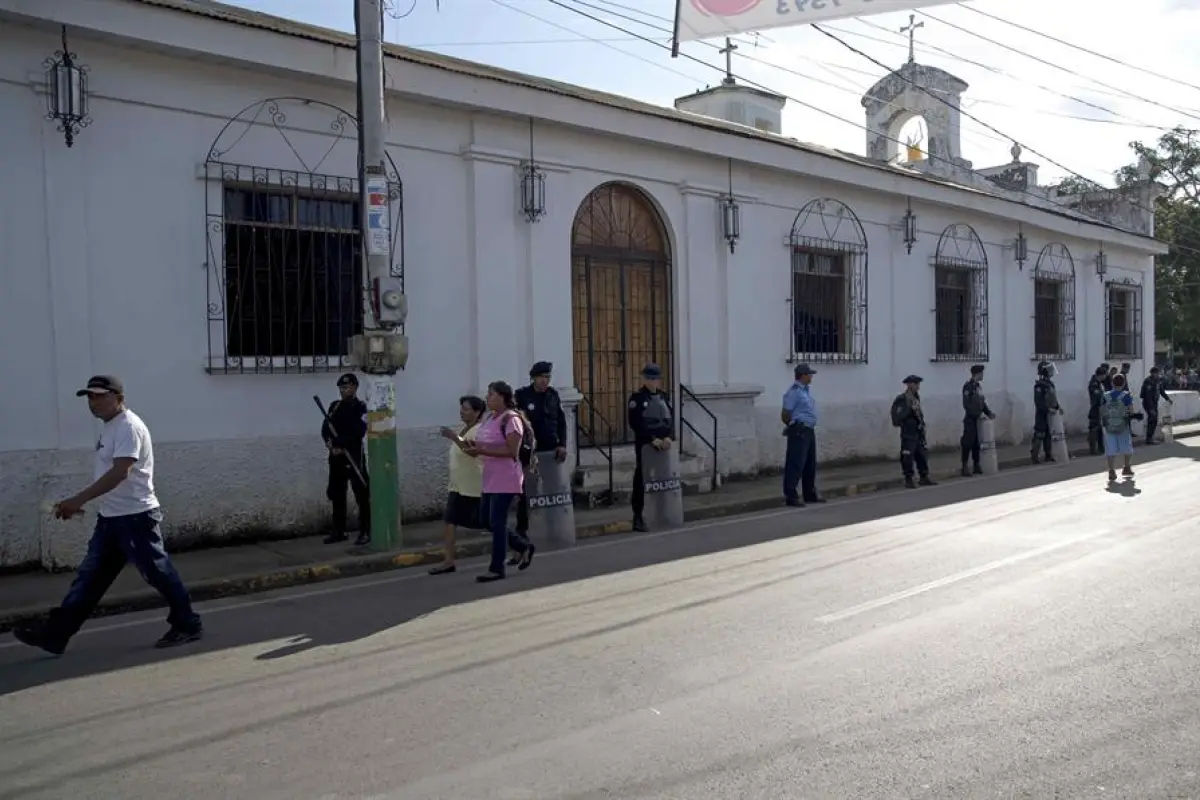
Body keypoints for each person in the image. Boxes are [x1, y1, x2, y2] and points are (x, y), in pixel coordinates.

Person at [12, 375, 203, 655]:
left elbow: (120, 473)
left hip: (136, 517)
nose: (94, 402)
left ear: (119, 397)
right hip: (112, 517)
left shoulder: (128, 427)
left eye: (100, 395)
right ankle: (56, 635)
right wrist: (87, 504)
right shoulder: (111, 427)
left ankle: (187, 624)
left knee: (158, 574)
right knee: (89, 579)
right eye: (89, 396)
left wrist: (79, 499)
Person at [464, 381, 535, 583]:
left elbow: (511, 451)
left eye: (492, 394)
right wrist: (471, 445)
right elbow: (484, 442)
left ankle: (497, 568)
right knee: (485, 520)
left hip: (507, 478)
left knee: (497, 521)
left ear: (503, 397)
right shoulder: (489, 419)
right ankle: (522, 546)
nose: (488, 397)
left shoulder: (511, 419)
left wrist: (482, 451)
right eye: (488, 394)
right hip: (490, 477)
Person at [429, 395, 487, 576]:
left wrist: (453, 437)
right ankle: (449, 560)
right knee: (450, 520)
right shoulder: (466, 429)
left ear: (477, 413)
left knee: (487, 522)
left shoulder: (478, 430)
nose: (462, 412)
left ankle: (518, 544)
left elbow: (472, 452)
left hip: (472, 486)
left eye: (467, 409)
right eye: (462, 408)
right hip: (458, 485)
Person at [513, 361, 568, 545]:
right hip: (530, 453)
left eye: (548, 377)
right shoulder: (522, 396)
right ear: (533, 378)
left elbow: (561, 422)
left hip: (551, 451)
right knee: (527, 494)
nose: (545, 381)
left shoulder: (553, 395)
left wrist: (562, 444)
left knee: (553, 492)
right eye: (542, 377)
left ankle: (554, 529)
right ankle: (524, 531)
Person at [321, 373, 370, 546]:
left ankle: (366, 530)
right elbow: (326, 427)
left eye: (347, 387)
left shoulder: (361, 407)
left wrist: (341, 442)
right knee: (336, 493)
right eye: (342, 388)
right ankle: (338, 530)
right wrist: (331, 445)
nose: (344, 391)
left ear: (355, 388)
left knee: (362, 493)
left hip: (354, 456)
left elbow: (359, 430)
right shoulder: (335, 406)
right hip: (336, 457)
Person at [627, 364, 675, 531]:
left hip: (664, 445)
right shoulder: (637, 399)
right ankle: (638, 517)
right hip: (646, 445)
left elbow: (670, 419)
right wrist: (651, 438)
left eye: (656, 378)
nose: (654, 382)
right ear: (645, 379)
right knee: (642, 479)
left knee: (663, 480)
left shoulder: (664, 397)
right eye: (650, 378)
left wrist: (669, 437)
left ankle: (663, 513)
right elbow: (635, 422)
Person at [781, 363, 824, 507]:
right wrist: (793, 425)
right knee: (796, 463)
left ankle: (809, 493)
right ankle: (791, 495)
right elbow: (785, 414)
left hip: (809, 429)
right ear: (803, 375)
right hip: (800, 430)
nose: (811, 377)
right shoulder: (793, 392)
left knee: (809, 463)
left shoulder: (806, 391)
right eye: (809, 374)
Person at [891, 375, 937, 489]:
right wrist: (908, 416)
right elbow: (899, 415)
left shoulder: (915, 397)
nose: (918, 387)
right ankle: (908, 479)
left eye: (918, 384)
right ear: (909, 384)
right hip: (909, 432)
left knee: (921, 454)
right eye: (916, 384)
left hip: (918, 431)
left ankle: (923, 476)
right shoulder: (903, 398)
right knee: (908, 456)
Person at [1100, 374, 1142, 482]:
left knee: (1110, 449)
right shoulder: (1126, 396)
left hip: (1109, 426)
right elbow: (1131, 411)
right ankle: (1126, 467)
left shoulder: (1105, 396)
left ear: (1112, 383)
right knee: (1126, 447)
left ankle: (1111, 471)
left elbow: (1102, 411)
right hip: (1123, 425)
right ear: (1123, 384)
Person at [960, 364, 995, 477]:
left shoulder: (978, 387)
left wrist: (988, 412)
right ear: (977, 374)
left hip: (979, 420)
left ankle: (976, 465)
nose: (983, 375)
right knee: (967, 442)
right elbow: (967, 404)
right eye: (981, 373)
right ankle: (964, 466)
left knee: (977, 443)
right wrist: (978, 414)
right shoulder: (968, 387)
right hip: (971, 419)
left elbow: (982, 402)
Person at [1030, 360, 1061, 464]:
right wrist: (1048, 409)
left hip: (1051, 414)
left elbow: (1053, 399)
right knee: (1040, 434)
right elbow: (1039, 402)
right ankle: (1034, 456)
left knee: (1048, 434)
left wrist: (1058, 407)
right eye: (1049, 369)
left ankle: (1048, 455)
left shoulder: (1050, 384)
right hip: (1042, 414)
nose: (1051, 371)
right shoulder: (1039, 386)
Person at [1139, 366, 1173, 444]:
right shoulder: (1148, 381)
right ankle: (1149, 439)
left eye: (1158, 373)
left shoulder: (1157, 380)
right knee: (1152, 420)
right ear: (1152, 373)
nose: (1158, 374)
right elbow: (1147, 396)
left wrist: (1167, 399)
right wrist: (1151, 408)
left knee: (1154, 420)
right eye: (1156, 373)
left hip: (1154, 403)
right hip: (1148, 403)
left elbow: (1161, 391)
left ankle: (1150, 437)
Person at [1087, 365, 1108, 455]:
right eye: (1105, 375)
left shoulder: (1099, 383)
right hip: (1096, 408)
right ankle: (1093, 449)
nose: (1105, 377)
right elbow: (1097, 396)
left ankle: (1101, 448)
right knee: (1094, 428)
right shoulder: (1094, 383)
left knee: (1099, 429)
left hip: (1101, 408)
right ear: (1101, 375)